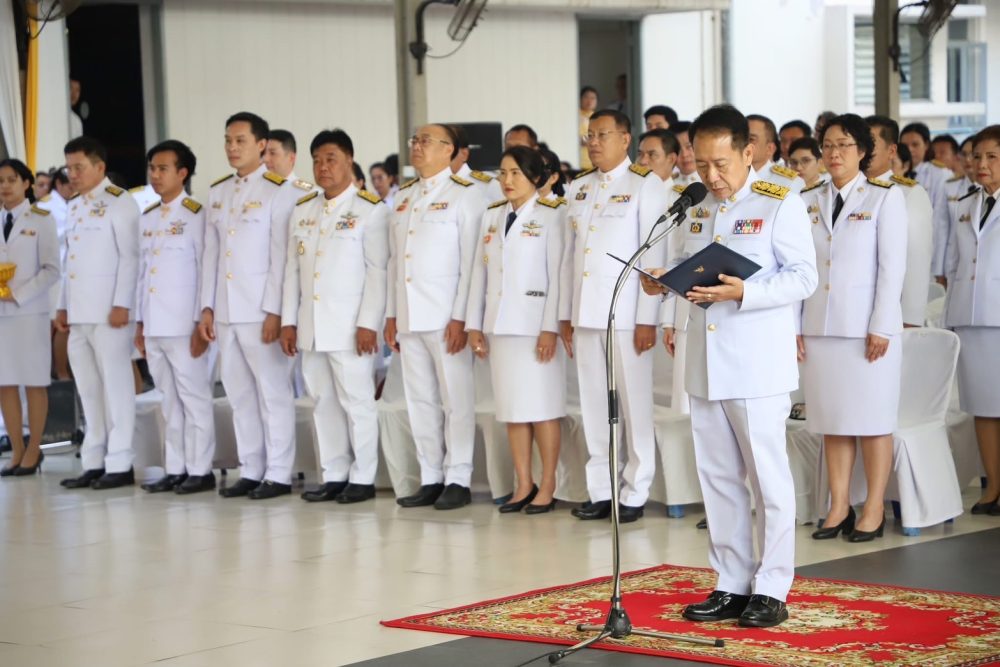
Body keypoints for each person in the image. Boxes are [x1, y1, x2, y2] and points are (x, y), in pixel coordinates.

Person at [641, 104, 817, 627]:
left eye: (721, 164)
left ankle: (772, 587)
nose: (712, 176)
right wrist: (664, 282)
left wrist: (746, 292)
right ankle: (731, 583)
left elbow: (804, 277)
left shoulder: (780, 199)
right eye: (702, 165)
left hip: (757, 363)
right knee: (718, 478)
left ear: (748, 152)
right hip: (705, 360)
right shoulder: (695, 204)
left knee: (768, 479)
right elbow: (689, 267)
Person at [800, 114, 907, 543]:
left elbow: (892, 268)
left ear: (862, 151)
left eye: (844, 145)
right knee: (834, 420)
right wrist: (795, 327)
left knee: (873, 420)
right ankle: (839, 505)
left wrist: (881, 324)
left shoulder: (884, 197)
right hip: (820, 326)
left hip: (867, 331)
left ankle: (874, 507)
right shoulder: (808, 198)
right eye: (827, 145)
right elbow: (799, 268)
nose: (834, 153)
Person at [558, 109, 669, 524]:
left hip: (626, 314)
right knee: (593, 405)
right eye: (589, 135)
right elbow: (570, 258)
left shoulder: (645, 185)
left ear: (625, 139)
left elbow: (653, 254)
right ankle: (601, 489)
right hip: (586, 312)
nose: (594, 142)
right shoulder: (579, 187)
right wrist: (565, 314)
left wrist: (647, 318)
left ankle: (635, 491)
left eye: (602, 134)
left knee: (634, 406)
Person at [384, 123, 489, 510]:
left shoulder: (467, 194)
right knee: (420, 399)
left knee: (455, 400)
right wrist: (392, 314)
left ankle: (458, 477)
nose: (417, 146)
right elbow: (395, 261)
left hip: (446, 316)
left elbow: (472, 263)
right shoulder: (404, 195)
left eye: (426, 141)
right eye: (415, 140)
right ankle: (430, 475)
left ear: (449, 150)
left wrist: (462, 317)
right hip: (410, 314)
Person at [281, 129, 388, 505]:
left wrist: (368, 323)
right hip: (311, 326)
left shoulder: (370, 210)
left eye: (331, 159)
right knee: (323, 401)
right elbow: (292, 271)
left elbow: (377, 272)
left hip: (349, 327)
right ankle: (335, 473)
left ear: (349, 160)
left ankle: (363, 477)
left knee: (357, 403)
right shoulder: (303, 210)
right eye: (317, 160)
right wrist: (288, 321)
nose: (323, 167)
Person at [198, 111, 300, 500]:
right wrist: (206, 308)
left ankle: (279, 473)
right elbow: (211, 255)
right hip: (226, 311)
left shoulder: (280, 190)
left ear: (261, 145)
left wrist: (276, 311)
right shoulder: (218, 191)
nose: (232, 147)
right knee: (239, 395)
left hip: (260, 311)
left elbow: (281, 258)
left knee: (272, 394)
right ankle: (252, 469)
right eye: (228, 140)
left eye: (240, 140)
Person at [466, 146, 565, 514]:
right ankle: (524, 482)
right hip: (500, 324)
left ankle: (548, 483)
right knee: (512, 408)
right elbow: (479, 272)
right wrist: (474, 324)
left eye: (516, 174)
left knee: (542, 408)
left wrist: (550, 327)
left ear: (536, 178)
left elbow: (558, 276)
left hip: (534, 326)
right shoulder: (492, 216)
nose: (507, 181)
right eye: (503, 173)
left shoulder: (552, 215)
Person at [56, 137, 140, 490]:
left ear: (99, 167)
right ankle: (94, 459)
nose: (72, 175)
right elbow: (69, 263)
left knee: (116, 388)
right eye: (69, 169)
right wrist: (62, 305)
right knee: (89, 389)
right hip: (79, 313)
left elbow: (131, 257)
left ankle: (120, 462)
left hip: (110, 312)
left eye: (79, 167)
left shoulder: (120, 202)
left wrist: (123, 303)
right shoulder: (74, 206)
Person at [134, 140, 217, 495]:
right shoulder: (148, 216)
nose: (155, 175)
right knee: (168, 399)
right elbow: (143, 274)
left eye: (163, 169)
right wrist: (140, 322)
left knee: (194, 398)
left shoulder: (196, 215)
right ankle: (176, 467)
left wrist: (202, 319)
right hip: (155, 323)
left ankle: (200, 470)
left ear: (183, 173)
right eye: (152, 168)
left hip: (185, 324)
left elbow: (205, 270)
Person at [944, 125, 1000, 516]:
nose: (982, 164)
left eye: (992, 157)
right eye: (977, 156)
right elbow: (953, 264)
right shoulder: (963, 203)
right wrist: (951, 314)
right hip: (971, 314)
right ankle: (993, 485)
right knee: (982, 405)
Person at [0, 159, 59, 477]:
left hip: (29, 312)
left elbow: (51, 270)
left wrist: (18, 294)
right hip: (0, 316)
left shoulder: (42, 219)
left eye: (11, 180)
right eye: (0, 181)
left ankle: (34, 448)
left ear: (26, 184)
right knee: (4, 383)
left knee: (34, 382)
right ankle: (16, 450)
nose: (5, 186)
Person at [865, 115, 933, 327]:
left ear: (891, 150)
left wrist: (910, 318)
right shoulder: (843, 189)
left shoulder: (909, 193)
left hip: (890, 317)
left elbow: (917, 260)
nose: (863, 149)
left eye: (871, 143)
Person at [900, 123, 951, 278]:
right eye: (905, 145)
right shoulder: (896, 173)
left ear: (927, 145)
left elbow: (940, 223)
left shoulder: (940, 174)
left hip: (929, 254)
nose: (910, 149)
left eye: (915, 144)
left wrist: (939, 270)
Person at [747, 114, 805, 192]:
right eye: (738, 138)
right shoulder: (732, 176)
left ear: (770, 148)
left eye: (751, 139)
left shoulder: (790, 183)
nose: (742, 143)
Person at [671, 121, 701, 186]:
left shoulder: (713, 181)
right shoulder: (668, 185)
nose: (684, 155)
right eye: (678, 149)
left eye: (689, 146)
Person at [579, 86, 598, 170]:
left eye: (593, 98)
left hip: (594, 162)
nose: (589, 101)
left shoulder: (599, 118)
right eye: (586, 97)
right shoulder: (574, 115)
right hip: (578, 161)